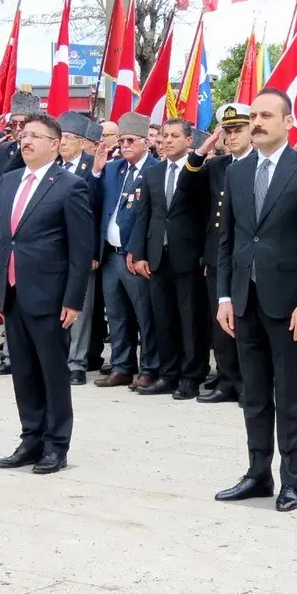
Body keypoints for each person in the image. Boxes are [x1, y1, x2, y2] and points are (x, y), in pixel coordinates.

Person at [214, 88, 297, 513]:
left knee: (289, 397)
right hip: (245, 303)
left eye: (267, 115)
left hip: (289, 307)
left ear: (288, 122)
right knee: (254, 395)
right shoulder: (236, 173)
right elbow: (227, 240)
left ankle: (291, 481)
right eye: (254, 115)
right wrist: (225, 295)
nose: (258, 122)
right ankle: (257, 474)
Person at [0, 114, 93, 475]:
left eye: (35, 135)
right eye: (23, 134)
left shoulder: (69, 185)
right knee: (23, 370)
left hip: (49, 294)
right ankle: (31, 437)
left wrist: (72, 299)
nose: (26, 140)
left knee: (51, 371)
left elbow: (81, 250)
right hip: (14, 291)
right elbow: (1, 240)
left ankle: (56, 444)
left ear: (55, 143)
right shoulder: (9, 181)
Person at [127, 117, 212, 399]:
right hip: (157, 257)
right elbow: (144, 215)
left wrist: (205, 255)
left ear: (189, 140)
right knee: (162, 319)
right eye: (164, 135)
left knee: (190, 320)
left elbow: (207, 216)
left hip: (189, 257)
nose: (167, 140)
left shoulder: (200, 171)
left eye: (175, 136)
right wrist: (138, 253)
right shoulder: (153, 173)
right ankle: (168, 373)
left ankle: (191, 376)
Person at [91, 112, 159, 389]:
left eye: (130, 140)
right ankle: (121, 366)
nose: (125, 145)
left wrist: (138, 250)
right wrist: (95, 171)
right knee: (117, 315)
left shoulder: (155, 169)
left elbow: (153, 217)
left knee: (145, 315)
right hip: (110, 254)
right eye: (121, 140)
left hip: (134, 256)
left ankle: (150, 367)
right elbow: (94, 201)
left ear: (145, 141)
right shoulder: (113, 168)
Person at [195, 104, 254, 404]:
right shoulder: (217, 166)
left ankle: (249, 382)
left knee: (246, 321)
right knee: (221, 322)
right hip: (218, 255)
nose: (231, 137)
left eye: (237, 130)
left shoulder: (259, 163)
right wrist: (201, 151)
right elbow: (188, 190)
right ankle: (227, 380)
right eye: (227, 131)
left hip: (247, 255)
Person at [54, 112, 100, 385]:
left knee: (80, 308)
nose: (63, 144)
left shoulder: (94, 167)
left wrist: (93, 252)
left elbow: (99, 210)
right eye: (61, 139)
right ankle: (58, 356)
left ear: (82, 142)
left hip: (82, 250)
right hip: (55, 250)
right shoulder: (53, 166)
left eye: (69, 139)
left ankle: (77, 362)